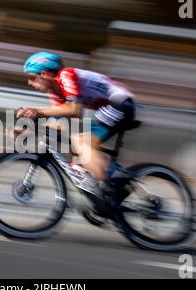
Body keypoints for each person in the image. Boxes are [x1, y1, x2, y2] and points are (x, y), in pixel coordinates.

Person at [17, 51, 136, 207]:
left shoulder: (66, 75)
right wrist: (29, 129)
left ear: (44, 73)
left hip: (120, 102)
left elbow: (75, 110)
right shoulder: (55, 94)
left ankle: (113, 186)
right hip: (107, 107)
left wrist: (38, 111)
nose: (29, 83)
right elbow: (58, 124)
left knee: (81, 141)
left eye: (32, 77)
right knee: (73, 141)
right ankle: (111, 177)